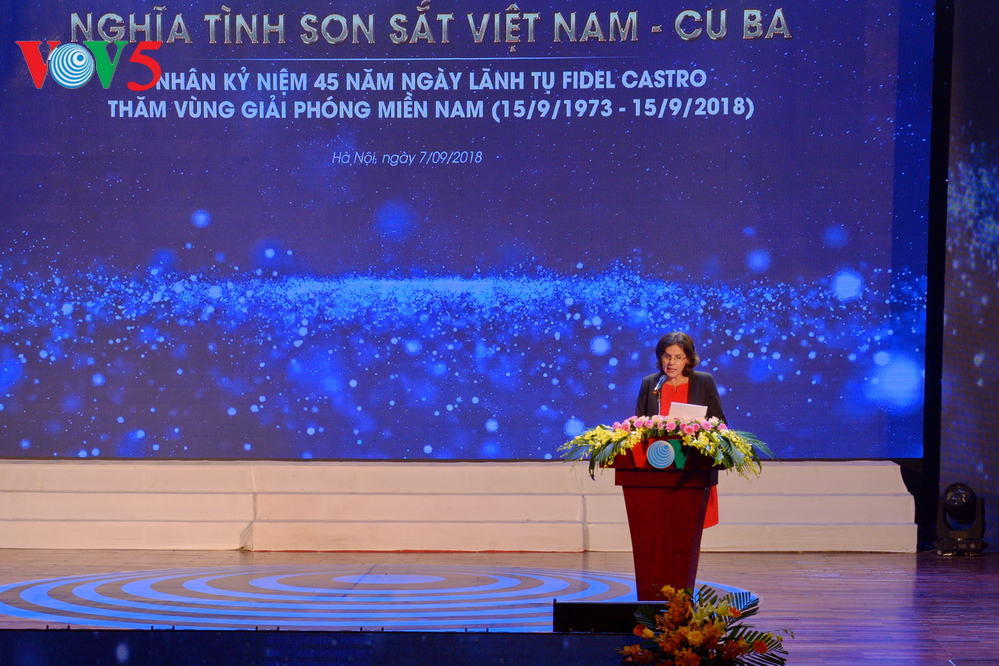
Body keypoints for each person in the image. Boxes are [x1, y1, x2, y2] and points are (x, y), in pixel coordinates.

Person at [635, 331, 726, 528]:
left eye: (678, 357)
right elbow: (638, 426)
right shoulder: (651, 384)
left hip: (692, 467)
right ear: (660, 356)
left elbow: (719, 423)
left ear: (688, 359)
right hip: (658, 465)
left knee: (689, 526)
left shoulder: (704, 382)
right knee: (660, 525)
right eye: (667, 356)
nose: (671, 363)